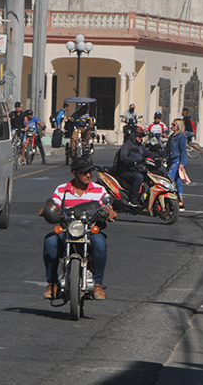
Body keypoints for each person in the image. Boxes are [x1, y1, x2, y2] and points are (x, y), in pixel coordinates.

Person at [41, 156, 116, 300]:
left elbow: (107, 204)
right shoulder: (62, 190)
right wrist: (45, 210)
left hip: (89, 232)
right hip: (67, 231)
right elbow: (54, 205)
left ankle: (98, 284)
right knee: (50, 241)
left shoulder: (99, 190)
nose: (88, 175)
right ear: (74, 174)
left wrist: (109, 211)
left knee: (100, 243)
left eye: (90, 172)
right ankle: (52, 284)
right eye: (84, 172)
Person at [119, 127, 152, 205]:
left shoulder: (140, 146)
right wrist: (133, 162)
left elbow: (148, 153)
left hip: (137, 169)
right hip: (127, 170)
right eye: (139, 137)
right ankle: (133, 200)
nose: (141, 139)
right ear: (134, 136)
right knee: (139, 177)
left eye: (141, 137)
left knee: (149, 176)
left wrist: (158, 158)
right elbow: (123, 156)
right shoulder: (127, 145)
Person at [167, 119, 188, 210]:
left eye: (174, 125)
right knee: (177, 181)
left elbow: (183, 150)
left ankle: (171, 200)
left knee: (169, 178)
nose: (172, 126)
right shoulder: (171, 136)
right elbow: (167, 149)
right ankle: (180, 202)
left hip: (178, 159)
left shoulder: (181, 137)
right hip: (171, 160)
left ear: (178, 127)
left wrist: (181, 163)